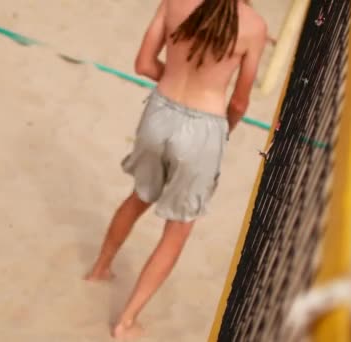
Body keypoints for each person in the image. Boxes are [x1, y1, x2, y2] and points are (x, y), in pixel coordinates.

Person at [85, 0, 268, 339]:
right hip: (203, 128)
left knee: (138, 197)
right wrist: (222, 128)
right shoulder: (254, 26)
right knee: (178, 229)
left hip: (159, 113)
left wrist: (171, 80)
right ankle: (126, 320)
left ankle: (99, 269)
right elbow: (240, 102)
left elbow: (142, 63)